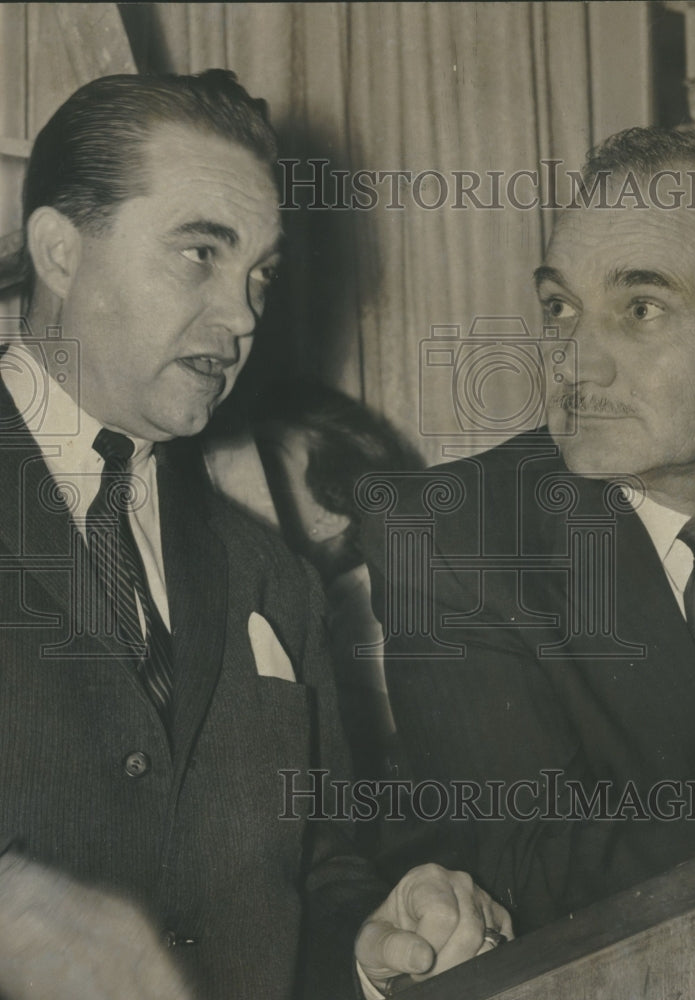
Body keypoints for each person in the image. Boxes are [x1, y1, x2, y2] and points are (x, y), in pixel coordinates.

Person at [0, 71, 511, 1000]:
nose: (241, 317)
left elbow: (317, 878)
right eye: (201, 252)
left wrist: (371, 947)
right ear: (60, 252)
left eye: (260, 277)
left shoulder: (273, 578)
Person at [361, 127, 695, 932]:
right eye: (561, 307)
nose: (573, 365)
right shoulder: (453, 537)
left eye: (640, 309)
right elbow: (521, 867)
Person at [253, 381, 424, 781]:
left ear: (331, 513)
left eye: (269, 464)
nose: (247, 480)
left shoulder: (365, 603)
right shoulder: (329, 594)